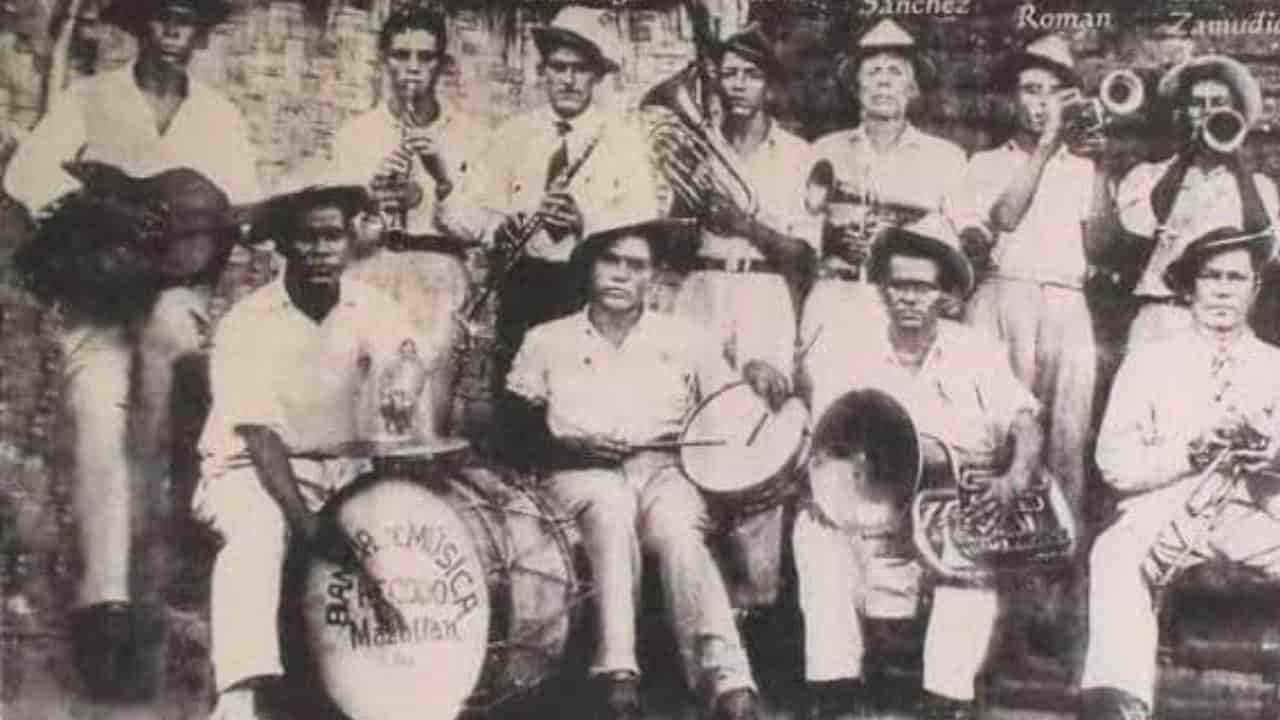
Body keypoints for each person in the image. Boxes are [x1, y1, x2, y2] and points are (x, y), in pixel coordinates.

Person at [1, 0, 259, 700]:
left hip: (175, 295)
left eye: (189, 24)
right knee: (93, 406)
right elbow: (25, 177)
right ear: (142, 27)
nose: (176, 36)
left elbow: (244, 207)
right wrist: (100, 213)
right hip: (98, 292)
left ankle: (157, 584)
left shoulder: (219, 117)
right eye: (164, 21)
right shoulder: (91, 99)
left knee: (171, 360)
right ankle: (104, 607)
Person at [502, 215, 787, 720]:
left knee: (678, 530)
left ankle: (728, 681)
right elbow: (516, 434)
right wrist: (574, 446)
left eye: (635, 266)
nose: (620, 275)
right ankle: (617, 674)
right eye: (610, 262)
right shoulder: (548, 339)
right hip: (575, 473)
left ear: (653, 278)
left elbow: (726, 414)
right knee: (611, 509)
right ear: (589, 270)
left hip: (663, 468)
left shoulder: (686, 338)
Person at [195, 178, 431, 720]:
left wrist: (406, 381)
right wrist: (309, 525)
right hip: (250, 471)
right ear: (282, 245)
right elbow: (258, 437)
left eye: (333, 237)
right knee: (256, 535)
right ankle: (240, 697)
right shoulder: (248, 322)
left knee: (404, 534)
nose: (322, 250)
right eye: (306, 238)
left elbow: (411, 353)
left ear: (350, 241)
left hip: (343, 466)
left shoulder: (371, 305)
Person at [795, 214, 1045, 720]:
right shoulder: (846, 347)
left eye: (922, 288)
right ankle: (836, 690)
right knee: (814, 531)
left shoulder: (976, 349)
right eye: (898, 285)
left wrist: (1017, 473)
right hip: (871, 505)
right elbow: (830, 442)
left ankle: (945, 699)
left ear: (945, 295)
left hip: (949, 505)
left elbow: (1024, 420)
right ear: (881, 290)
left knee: (968, 547)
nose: (909, 298)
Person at [1078, 226, 1280, 720]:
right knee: (1115, 552)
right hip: (1165, 508)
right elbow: (1114, 464)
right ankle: (1119, 701)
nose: (1222, 290)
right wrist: (1187, 453)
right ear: (1190, 287)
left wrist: (1273, 459)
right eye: (1211, 277)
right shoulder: (1149, 362)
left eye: (1236, 278)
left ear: (1255, 288)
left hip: (1255, 510)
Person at [954, 33, 1105, 670]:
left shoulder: (1084, 167)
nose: (1041, 104)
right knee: (996, 446)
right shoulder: (984, 163)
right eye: (1031, 90)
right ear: (1013, 97)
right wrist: (1047, 149)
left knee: (1064, 453)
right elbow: (1003, 220)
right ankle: (986, 612)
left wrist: (1095, 168)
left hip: (1066, 305)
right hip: (1000, 299)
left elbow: (1100, 248)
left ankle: (1046, 611)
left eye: (1053, 94)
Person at [456, 4, 661, 414]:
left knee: (580, 399)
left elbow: (645, 218)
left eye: (579, 69)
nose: (567, 80)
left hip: (584, 286)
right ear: (543, 70)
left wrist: (586, 225)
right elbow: (473, 206)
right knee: (516, 398)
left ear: (597, 75)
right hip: (522, 285)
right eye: (557, 67)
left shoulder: (621, 140)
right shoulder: (514, 133)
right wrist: (499, 229)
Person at [329, 7, 480, 437]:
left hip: (438, 275)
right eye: (401, 55)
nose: (412, 68)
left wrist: (443, 180)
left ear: (442, 65)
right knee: (363, 399)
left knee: (425, 403)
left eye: (425, 57)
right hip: (370, 266)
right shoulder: (355, 136)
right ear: (383, 59)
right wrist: (369, 203)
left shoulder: (471, 135)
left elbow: (477, 233)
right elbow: (338, 238)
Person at [799, 18, 969, 363]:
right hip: (837, 294)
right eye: (873, 72)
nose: (883, 82)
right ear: (855, 87)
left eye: (895, 72)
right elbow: (800, 229)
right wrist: (833, 242)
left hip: (908, 305)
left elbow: (955, 239)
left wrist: (892, 241)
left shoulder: (947, 157)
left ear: (913, 89)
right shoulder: (823, 150)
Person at [672, 23, 818, 387]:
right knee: (690, 398)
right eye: (729, 74)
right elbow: (670, 244)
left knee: (760, 408)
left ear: (769, 86)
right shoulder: (697, 147)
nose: (737, 85)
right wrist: (689, 206)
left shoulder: (799, 155)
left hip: (764, 292)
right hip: (700, 287)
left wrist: (743, 224)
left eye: (751, 75)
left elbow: (805, 256)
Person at [1114, 54, 1278, 348]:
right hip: (1162, 315)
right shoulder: (1148, 176)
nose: (1207, 112)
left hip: (1225, 322)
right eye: (1197, 104)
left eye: (1218, 104)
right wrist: (1190, 153)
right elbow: (1140, 228)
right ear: (1182, 113)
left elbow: (1266, 246)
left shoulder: (1258, 187)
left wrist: (1234, 156)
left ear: (1236, 113)